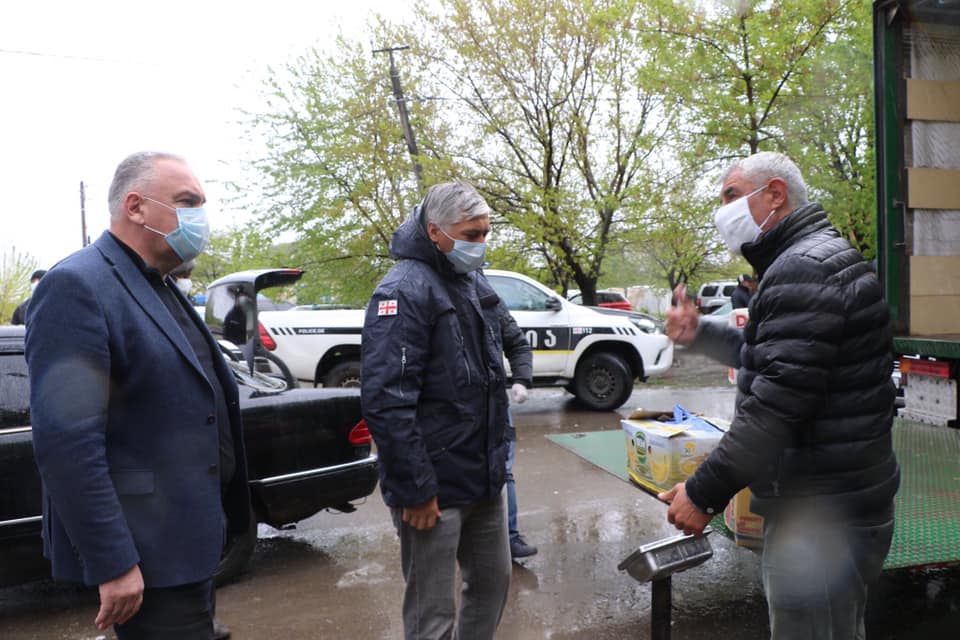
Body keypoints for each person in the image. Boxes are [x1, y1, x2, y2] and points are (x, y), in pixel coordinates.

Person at [659, 151, 899, 639]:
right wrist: (700, 332)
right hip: (839, 502)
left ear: (774, 194)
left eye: (731, 196)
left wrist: (702, 493)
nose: (722, 212)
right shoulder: (809, 259)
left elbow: (776, 405)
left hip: (821, 515)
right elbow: (775, 356)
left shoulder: (803, 268)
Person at [25, 151, 249, 639]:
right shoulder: (78, 285)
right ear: (136, 206)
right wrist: (114, 563)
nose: (200, 217)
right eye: (187, 202)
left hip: (188, 544)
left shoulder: (158, 284)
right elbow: (68, 444)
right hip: (146, 556)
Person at [361, 180, 512, 640]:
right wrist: (415, 489)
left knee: (492, 583)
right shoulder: (403, 290)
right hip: (432, 489)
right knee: (432, 613)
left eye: (485, 233)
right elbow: (387, 400)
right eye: (471, 235)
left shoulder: (469, 279)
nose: (480, 243)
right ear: (434, 231)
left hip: (482, 477)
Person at [488, 294, 536, 559]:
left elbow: (517, 343)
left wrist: (521, 379)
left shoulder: (486, 297)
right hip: (449, 411)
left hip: (493, 404)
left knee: (503, 470)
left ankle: (510, 537)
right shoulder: (427, 293)